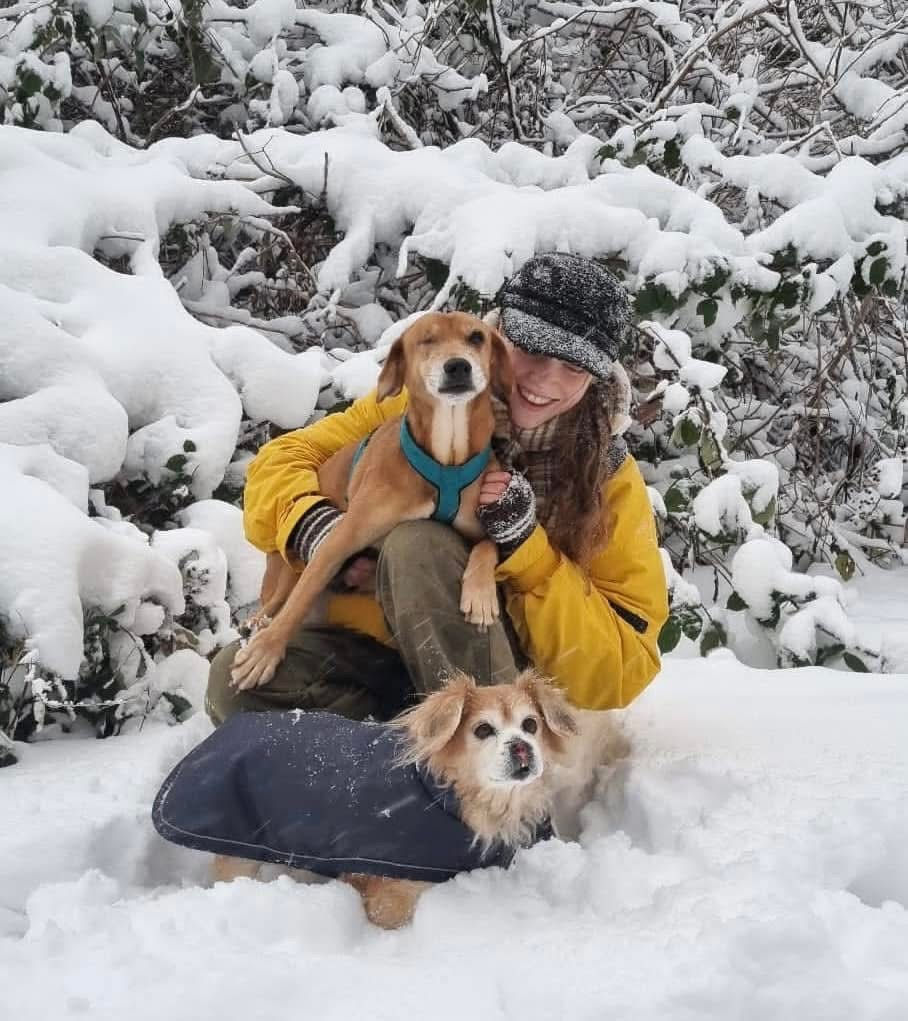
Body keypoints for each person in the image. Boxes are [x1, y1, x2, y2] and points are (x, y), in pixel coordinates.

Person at [206, 253, 668, 726]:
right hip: (374, 651)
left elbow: (622, 667)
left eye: (573, 366)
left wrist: (525, 553)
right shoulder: (420, 410)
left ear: (596, 378)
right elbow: (281, 462)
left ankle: (484, 764)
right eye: (530, 350)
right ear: (496, 341)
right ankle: (396, 755)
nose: (544, 379)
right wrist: (317, 525)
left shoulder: (608, 480)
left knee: (418, 544)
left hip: (504, 678)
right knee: (235, 684)